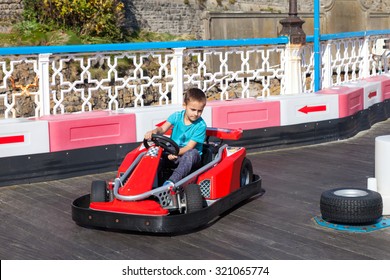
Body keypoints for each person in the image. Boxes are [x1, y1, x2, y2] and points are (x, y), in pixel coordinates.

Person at [144, 88, 207, 187]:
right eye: (193, 110)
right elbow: (162, 129)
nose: (196, 114)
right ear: (184, 105)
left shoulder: (201, 126)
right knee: (154, 150)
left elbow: (189, 147)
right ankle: (146, 180)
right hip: (173, 151)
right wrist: (154, 131)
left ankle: (171, 182)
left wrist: (174, 153)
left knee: (191, 154)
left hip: (190, 157)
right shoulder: (176, 116)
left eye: (200, 111)